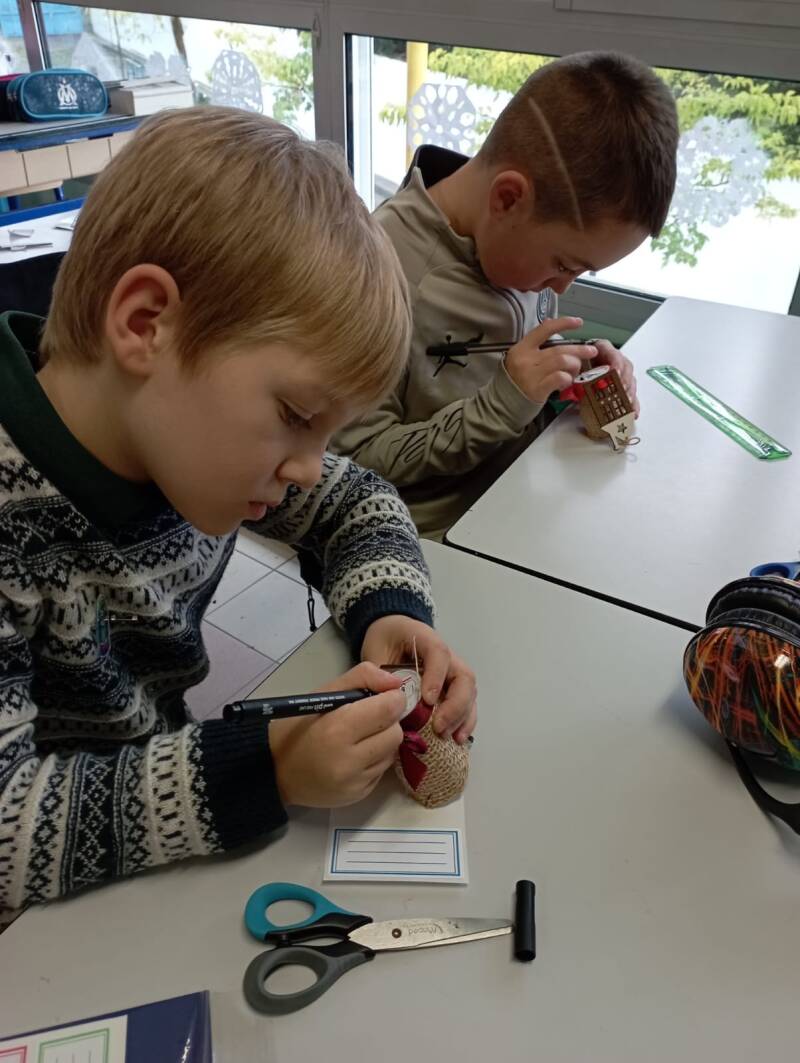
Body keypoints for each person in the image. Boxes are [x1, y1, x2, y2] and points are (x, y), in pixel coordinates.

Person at [0, 106, 476, 912]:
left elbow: (359, 502)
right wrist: (266, 767)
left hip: (137, 866)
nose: (308, 467)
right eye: (296, 415)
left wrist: (390, 612)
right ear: (146, 324)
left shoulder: (174, 436)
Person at [332, 51, 679, 539]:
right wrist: (501, 407)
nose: (562, 287)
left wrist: (569, 370)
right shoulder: (375, 277)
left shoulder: (514, 248)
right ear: (508, 198)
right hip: (424, 541)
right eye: (564, 264)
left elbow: (498, 360)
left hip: (519, 498)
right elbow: (353, 463)